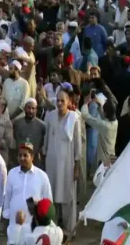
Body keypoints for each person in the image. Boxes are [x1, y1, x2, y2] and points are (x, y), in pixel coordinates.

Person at [43, 90, 81, 239]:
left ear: (68, 102)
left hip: (68, 163)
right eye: (57, 100)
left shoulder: (74, 118)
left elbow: (77, 143)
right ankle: (52, 229)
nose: (59, 103)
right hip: (51, 161)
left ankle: (70, 230)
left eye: (62, 101)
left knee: (67, 195)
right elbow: (46, 137)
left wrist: (77, 166)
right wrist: (44, 151)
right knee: (51, 192)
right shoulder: (50, 116)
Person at [3, 143, 52, 244]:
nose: (22, 158)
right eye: (20, 155)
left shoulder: (42, 176)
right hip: (14, 224)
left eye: (25, 155)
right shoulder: (12, 173)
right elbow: (7, 196)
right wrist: (7, 214)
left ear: (32, 157)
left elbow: (48, 202)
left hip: (33, 227)